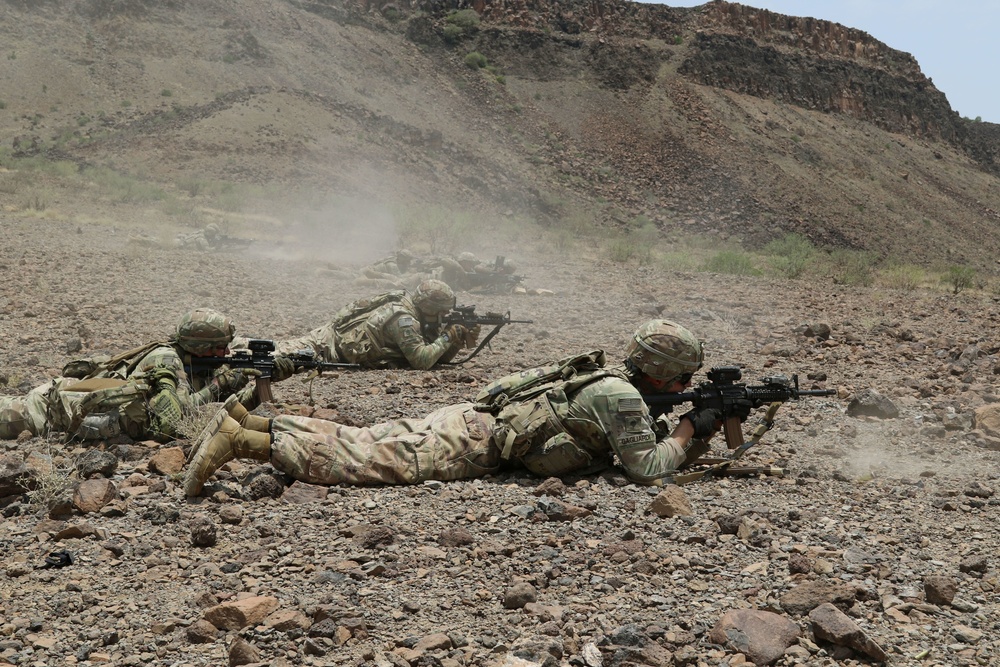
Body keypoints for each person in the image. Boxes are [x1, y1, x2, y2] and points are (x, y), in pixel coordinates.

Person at [184, 319, 725, 496]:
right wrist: (687, 431)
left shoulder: (600, 373)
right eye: (682, 374)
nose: (685, 382)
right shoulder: (624, 396)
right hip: (473, 444)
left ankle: (253, 418)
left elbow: (510, 383)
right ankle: (244, 442)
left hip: (468, 419)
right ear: (664, 369)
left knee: (367, 435)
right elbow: (647, 468)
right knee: (363, 461)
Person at [0, 309, 263, 442]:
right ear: (199, 346)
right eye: (219, 347)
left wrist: (263, 380)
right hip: (46, 410)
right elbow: (172, 422)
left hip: (72, 402)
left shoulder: (195, 360)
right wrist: (219, 386)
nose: (226, 351)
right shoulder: (167, 360)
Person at [236, 279, 480, 371]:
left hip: (334, 339)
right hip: (327, 346)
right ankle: (220, 344)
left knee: (274, 349)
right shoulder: (404, 320)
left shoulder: (410, 306)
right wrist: (448, 336)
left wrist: (455, 341)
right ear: (428, 307)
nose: (444, 315)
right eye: (442, 311)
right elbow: (422, 361)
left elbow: (439, 358)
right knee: (272, 354)